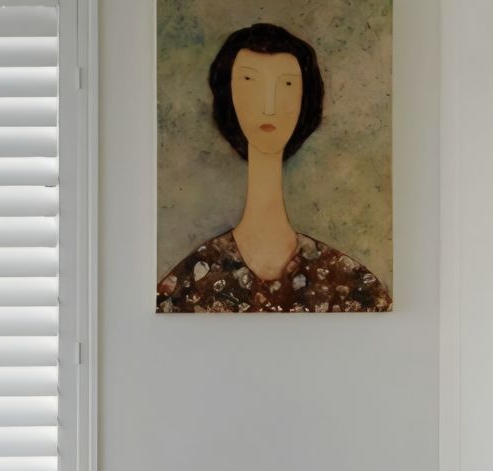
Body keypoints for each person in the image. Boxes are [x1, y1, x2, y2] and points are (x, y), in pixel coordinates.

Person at [156, 22, 389, 313]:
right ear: (229, 96)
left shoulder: (353, 289)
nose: (269, 106)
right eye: (249, 82)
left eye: (287, 85)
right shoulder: (188, 288)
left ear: (305, 99)